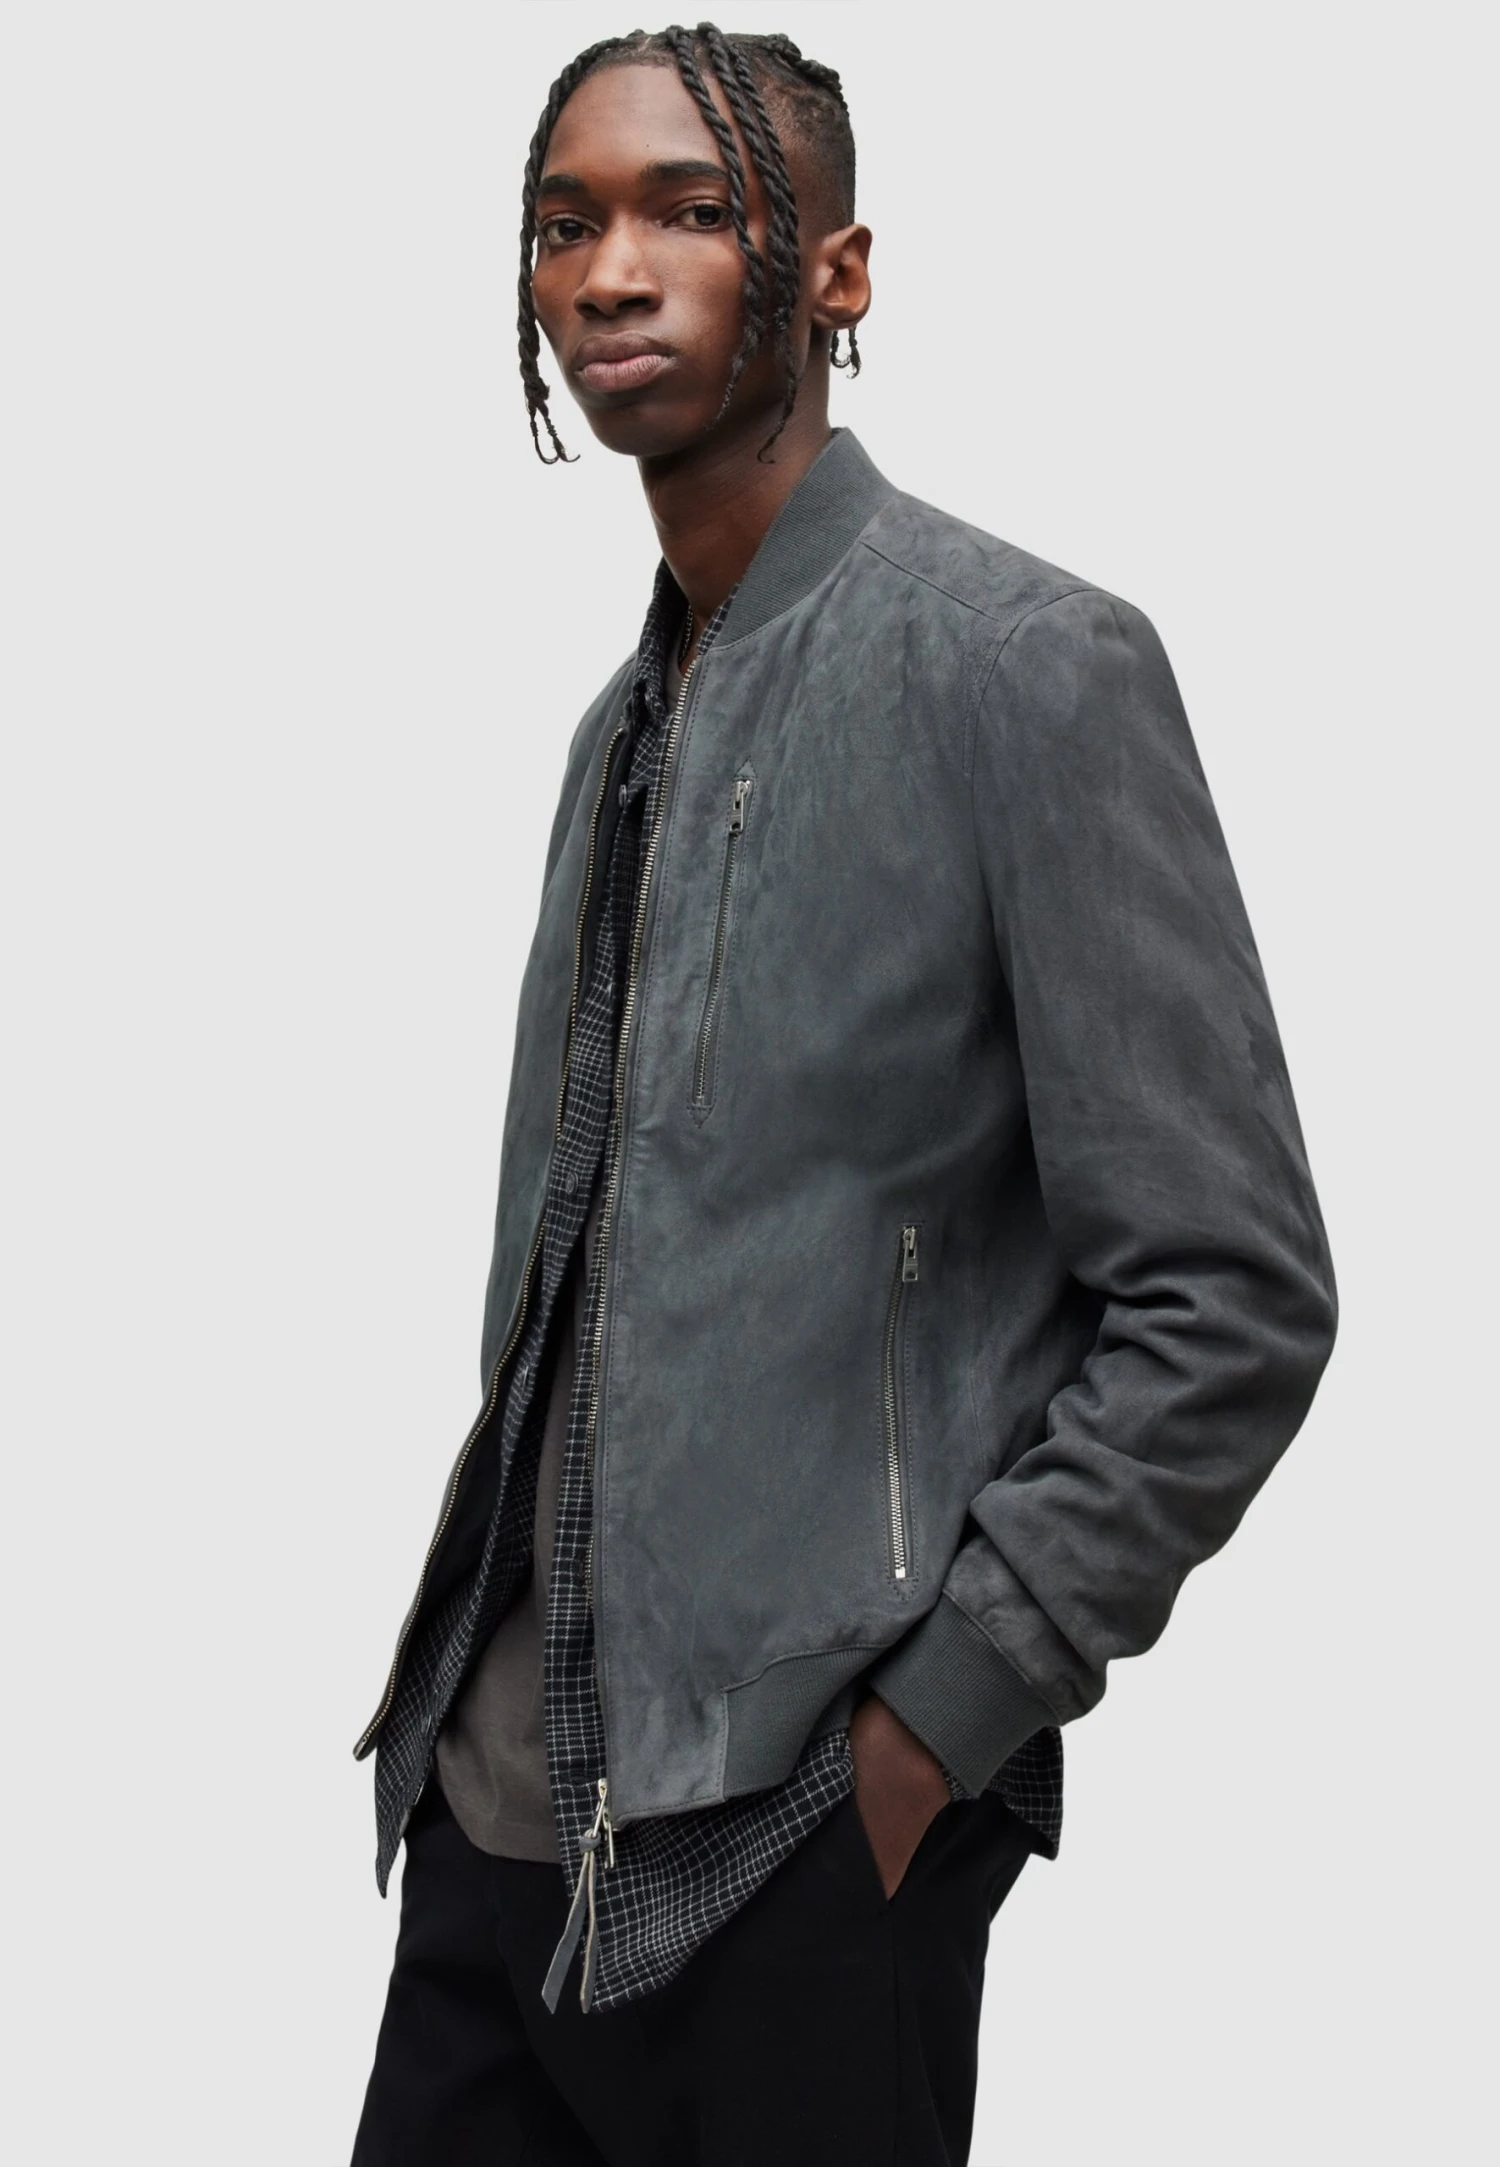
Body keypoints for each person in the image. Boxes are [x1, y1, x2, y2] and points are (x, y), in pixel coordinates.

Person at [349, 25, 1336, 2166]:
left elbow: (1233, 1296)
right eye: (565, 223)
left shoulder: (1026, 669)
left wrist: (928, 1732)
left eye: (691, 211)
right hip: (497, 1821)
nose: (613, 270)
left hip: (789, 1840)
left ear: (838, 272)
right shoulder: (616, 734)